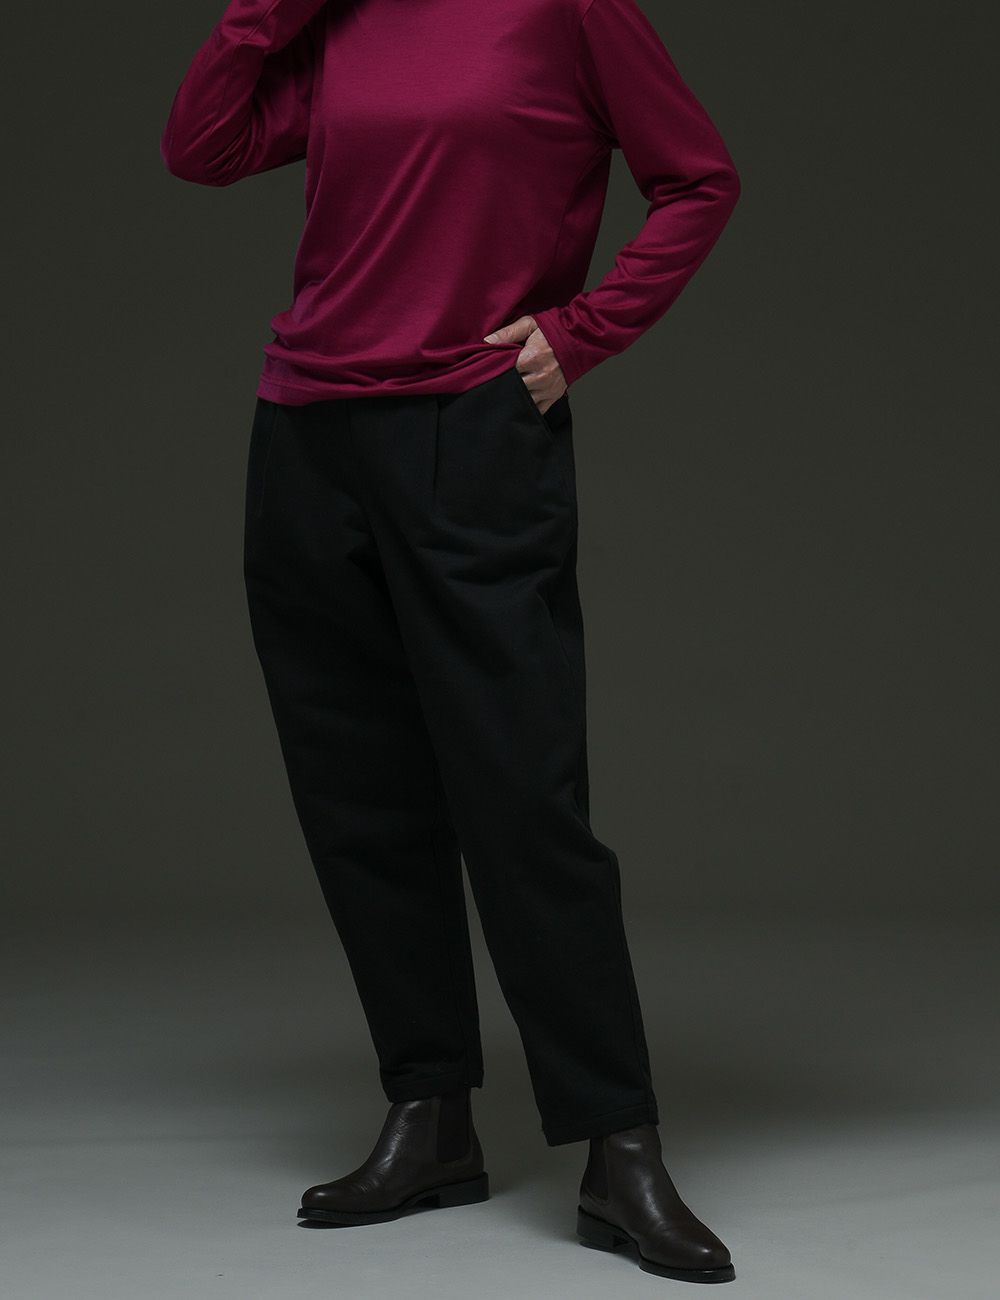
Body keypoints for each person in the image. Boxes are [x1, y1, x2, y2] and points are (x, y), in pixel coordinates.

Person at [161, 0, 740, 1282]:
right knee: (358, 795)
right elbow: (201, 146)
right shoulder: (336, 17)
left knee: (522, 794)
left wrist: (583, 331)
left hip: (471, 435)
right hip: (305, 434)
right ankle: (429, 1115)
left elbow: (699, 178)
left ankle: (618, 1146)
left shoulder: (567, 9)